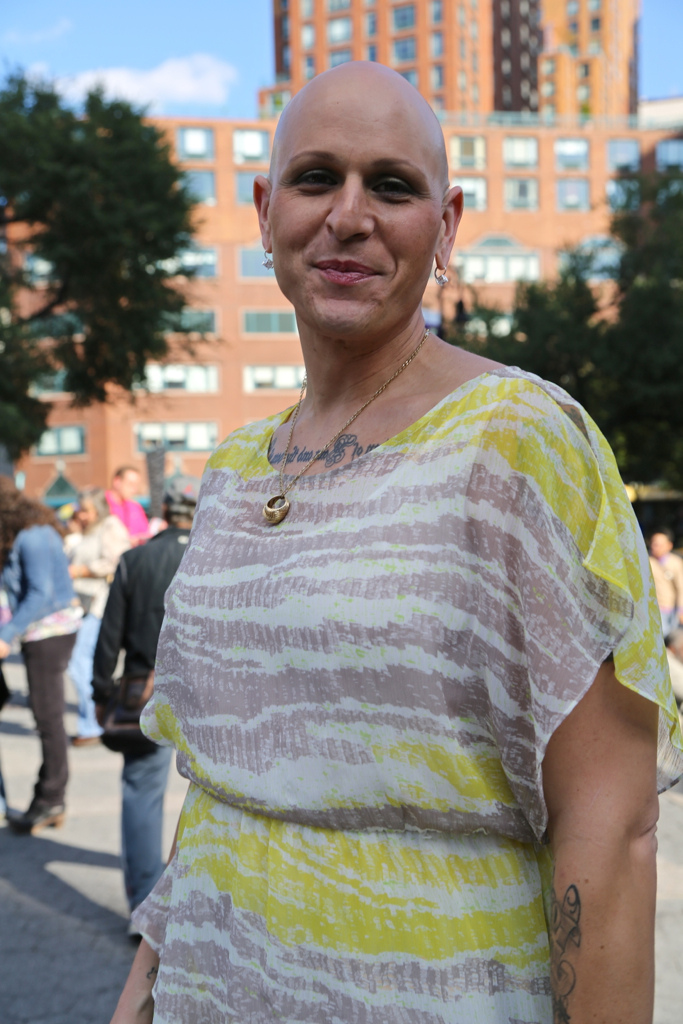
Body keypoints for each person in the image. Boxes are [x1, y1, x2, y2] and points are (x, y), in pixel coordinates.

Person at [111, 63, 683, 1024]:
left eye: (390, 185)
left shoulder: (518, 442)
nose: (348, 216)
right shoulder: (234, 468)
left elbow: (610, 826)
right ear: (264, 212)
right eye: (314, 178)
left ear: (446, 225)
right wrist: (138, 997)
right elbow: (226, 786)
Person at [92, 476, 199, 923]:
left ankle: (143, 905)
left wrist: (101, 692)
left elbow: (108, 636)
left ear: (165, 510)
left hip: (143, 689)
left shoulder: (135, 559)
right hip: (207, 689)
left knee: (141, 791)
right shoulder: (213, 553)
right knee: (215, 797)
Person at [0, 477, 82, 833]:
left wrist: (6, 635)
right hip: (47, 630)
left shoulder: (32, 536)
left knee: (48, 720)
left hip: (48, 631)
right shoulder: (30, 531)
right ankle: (49, 797)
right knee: (47, 718)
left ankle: (51, 798)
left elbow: (39, 593)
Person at [67, 487, 130, 745]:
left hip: (98, 604)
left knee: (79, 664)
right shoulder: (87, 530)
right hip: (81, 604)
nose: (81, 515)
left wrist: (82, 570)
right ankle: (92, 720)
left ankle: (92, 722)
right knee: (83, 663)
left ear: (98, 509)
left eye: (86, 510)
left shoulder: (110, 526)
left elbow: (117, 561)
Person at [648, 527, 683, 640]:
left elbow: (681, 588)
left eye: (659, 544)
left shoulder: (675, 563)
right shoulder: (647, 562)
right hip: (654, 609)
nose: (655, 547)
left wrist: (681, 610)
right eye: (653, 543)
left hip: (672, 610)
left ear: (669, 545)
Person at [106, 466, 150, 546]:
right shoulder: (102, 504)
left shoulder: (135, 507)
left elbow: (146, 533)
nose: (134, 489)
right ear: (117, 482)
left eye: (136, 485)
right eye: (131, 484)